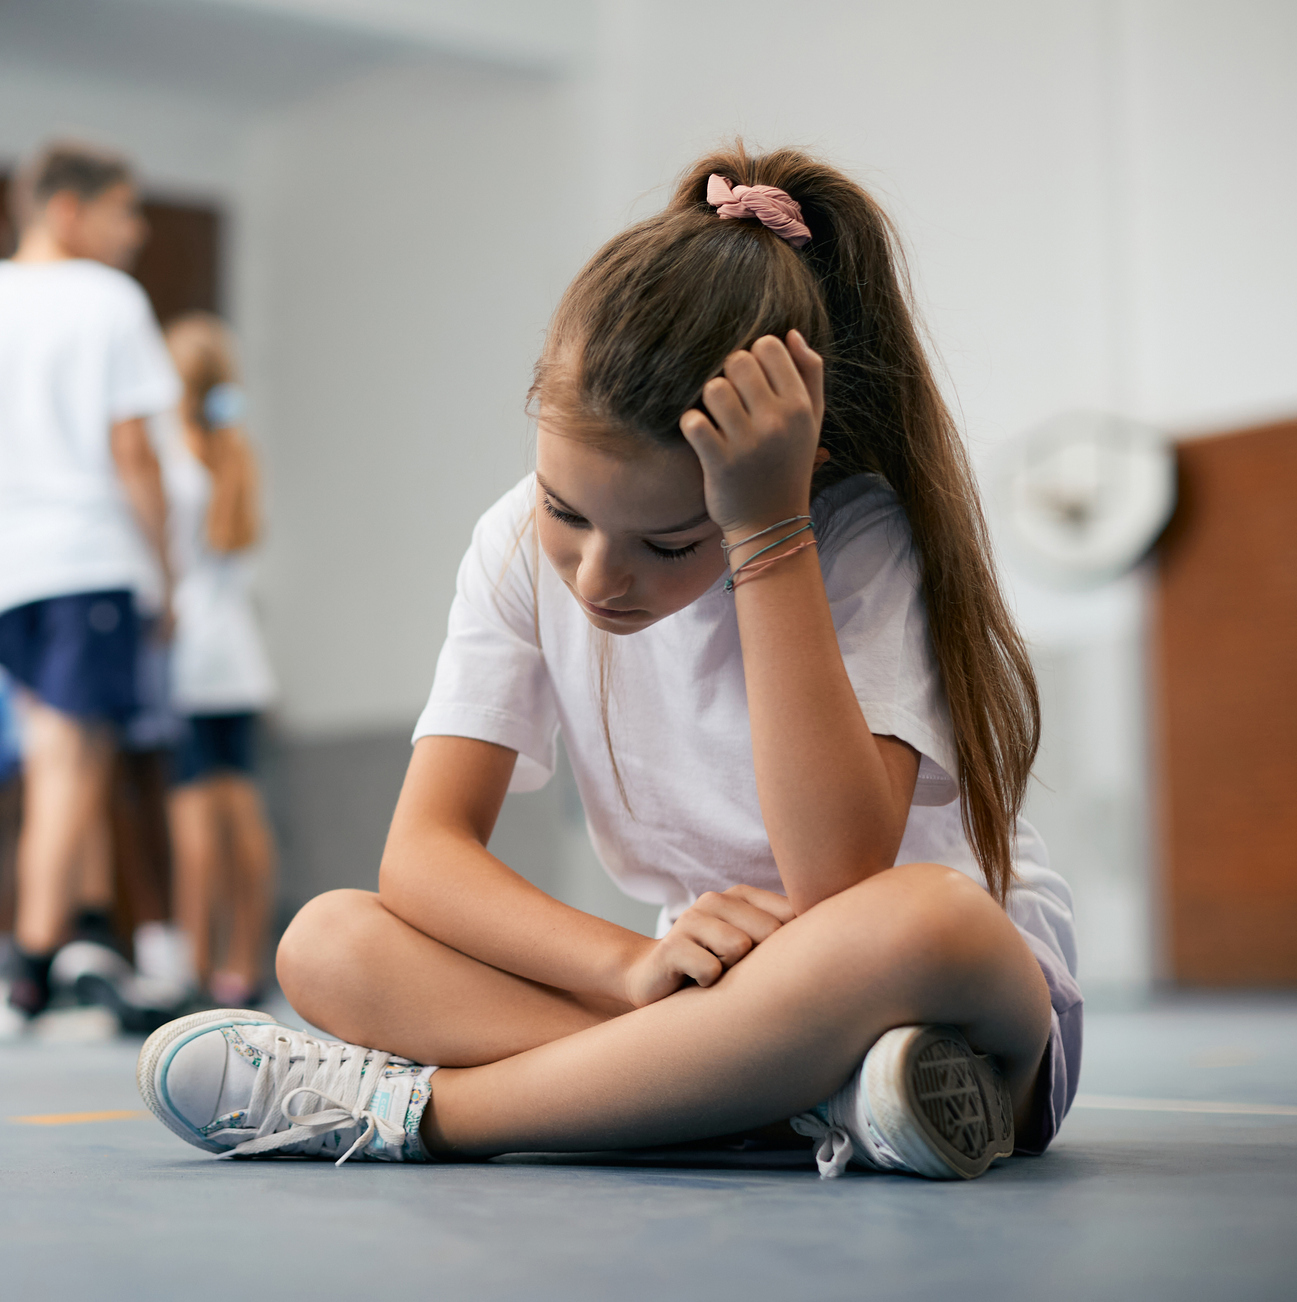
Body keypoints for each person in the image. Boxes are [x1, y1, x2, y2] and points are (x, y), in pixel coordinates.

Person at [138, 145, 1081, 1180]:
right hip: (709, 996)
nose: (597, 576)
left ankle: (429, 1113)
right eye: (564, 510)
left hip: (932, 991)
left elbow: (839, 879)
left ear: (782, 471)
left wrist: (767, 533)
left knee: (925, 919)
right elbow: (423, 856)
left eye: (670, 544)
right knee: (327, 943)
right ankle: (797, 1099)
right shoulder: (507, 545)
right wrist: (627, 964)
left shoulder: (851, 533)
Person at [0, 142, 179, 1022]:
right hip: (86, 559)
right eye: (123, 210)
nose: (136, 230)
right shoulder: (107, 298)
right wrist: (167, 572)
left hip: (13, 573)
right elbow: (134, 450)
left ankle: (84, 942)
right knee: (74, 763)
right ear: (67, 212)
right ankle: (31, 963)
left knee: (57, 757)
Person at [159, 312, 277, 1007]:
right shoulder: (236, 452)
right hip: (240, 654)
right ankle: (241, 966)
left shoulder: (172, 456)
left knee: (192, 809)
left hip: (189, 654)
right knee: (241, 804)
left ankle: (194, 971)